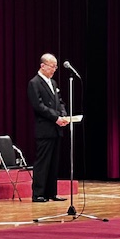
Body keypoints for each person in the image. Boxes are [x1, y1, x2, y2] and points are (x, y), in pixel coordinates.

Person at [27, 53, 69, 203]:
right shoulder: (34, 83)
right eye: (52, 66)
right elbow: (38, 106)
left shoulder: (54, 83)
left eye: (56, 67)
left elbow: (60, 101)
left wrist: (63, 115)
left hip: (56, 129)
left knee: (53, 162)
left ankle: (52, 192)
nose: (54, 69)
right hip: (45, 128)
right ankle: (38, 193)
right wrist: (56, 117)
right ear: (43, 66)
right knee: (43, 162)